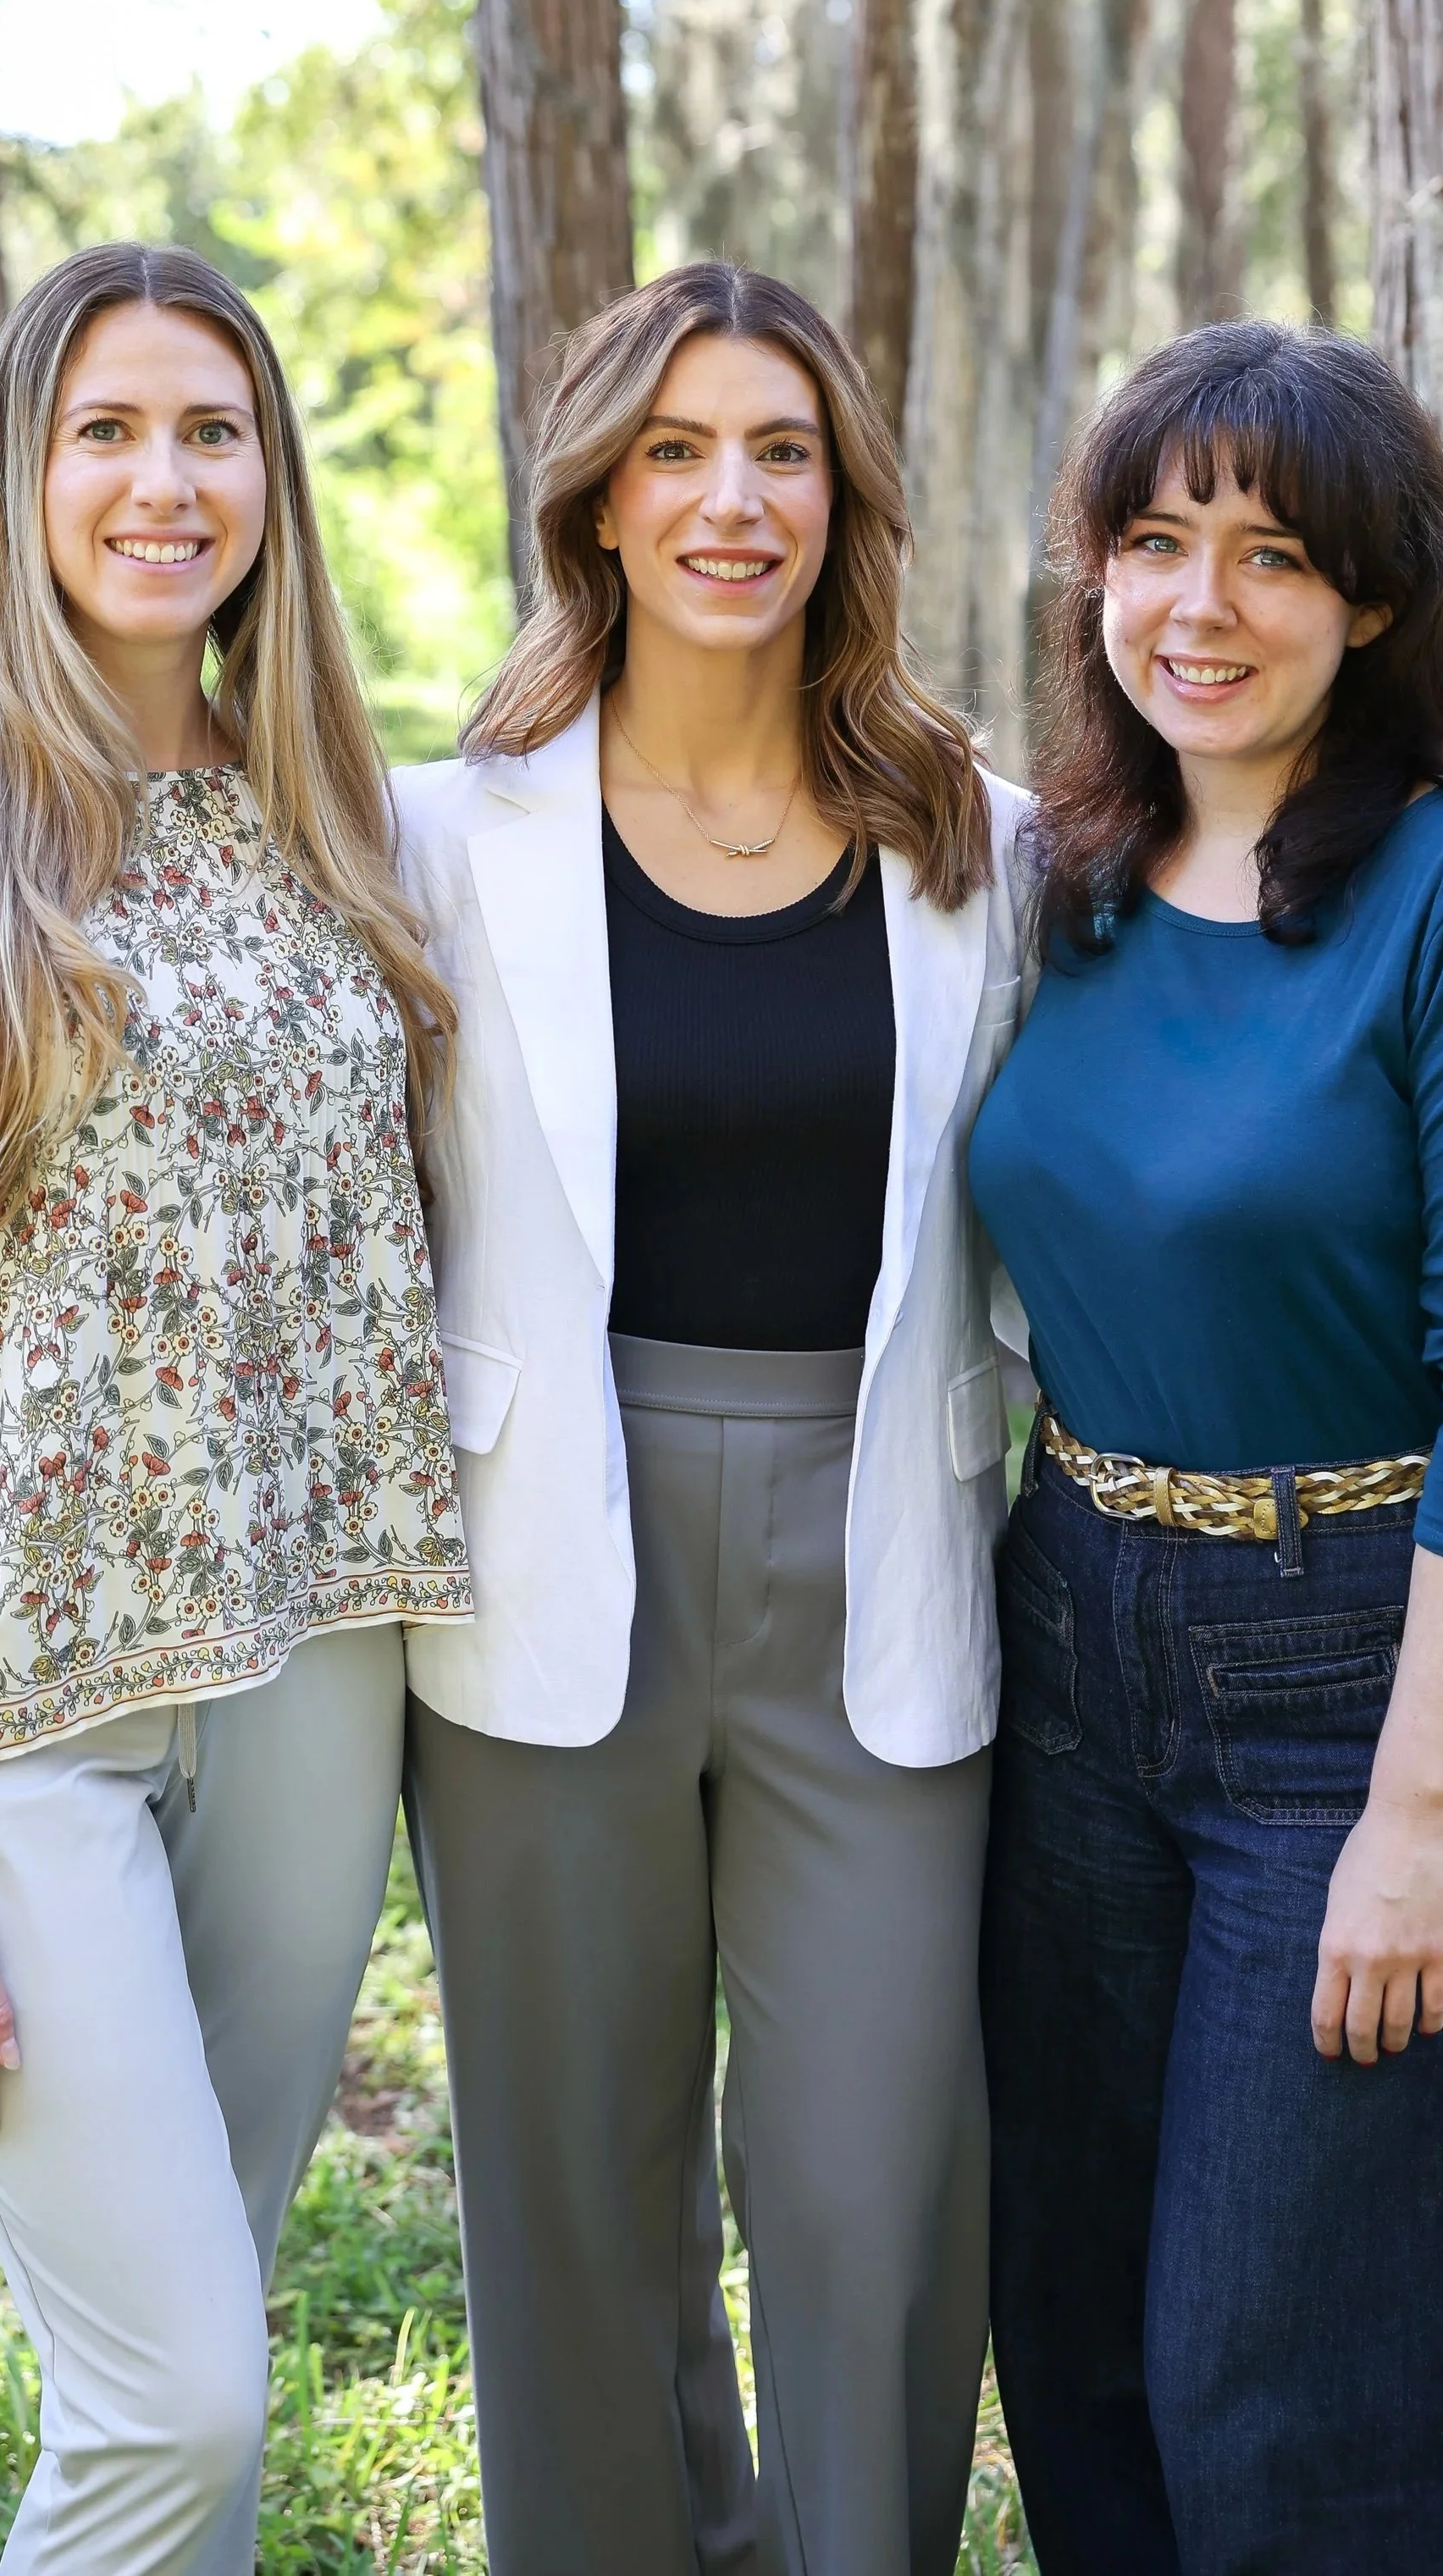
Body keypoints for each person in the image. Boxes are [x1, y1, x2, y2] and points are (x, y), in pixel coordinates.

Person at [0, 242, 468, 2576]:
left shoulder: (340, 825)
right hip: (15, 1707)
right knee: (178, 2399)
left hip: (313, 1655)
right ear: (20, 474)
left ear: (274, 479)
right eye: (108, 430)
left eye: (213, 430)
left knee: (194, 2338)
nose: (164, 479)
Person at [968, 318, 1443, 2574]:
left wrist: (1414, 1815)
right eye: (1149, 542)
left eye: (1269, 554)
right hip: (1068, 1644)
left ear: (1371, 598)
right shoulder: (1057, 879)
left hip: (1365, 1666)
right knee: (1076, 2344)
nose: (1198, 604)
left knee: (1309, 2386)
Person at [391, 259, 1032, 2576]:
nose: (727, 498)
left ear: (841, 500)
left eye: (776, 450)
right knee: (577, 2203)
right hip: (553, 1547)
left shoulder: (989, 841)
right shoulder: (445, 836)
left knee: (872, 2183)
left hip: (878, 1545)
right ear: (599, 500)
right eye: (674, 449)